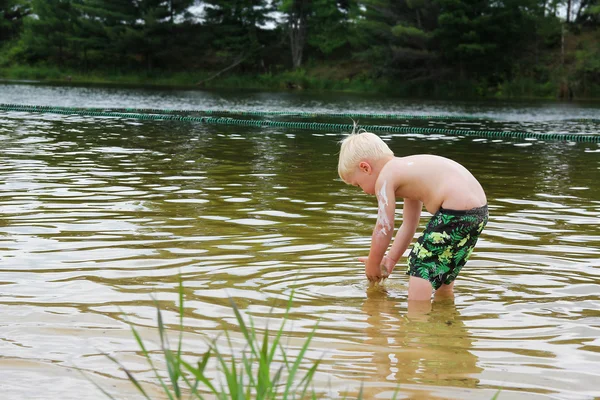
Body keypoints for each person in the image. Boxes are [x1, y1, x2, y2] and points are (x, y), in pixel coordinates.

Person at [338, 130, 488, 301]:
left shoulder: (386, 177)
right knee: (446, 264)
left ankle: (417, 319)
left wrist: (373, 264)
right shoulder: (407, 172)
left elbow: (384, 227)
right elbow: (409, 225)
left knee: (420, 262)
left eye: (358, 184)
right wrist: (389, 261)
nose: (363, 191)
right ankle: (445, 313)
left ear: (365, 168)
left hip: (456, 208)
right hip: (478, 211)